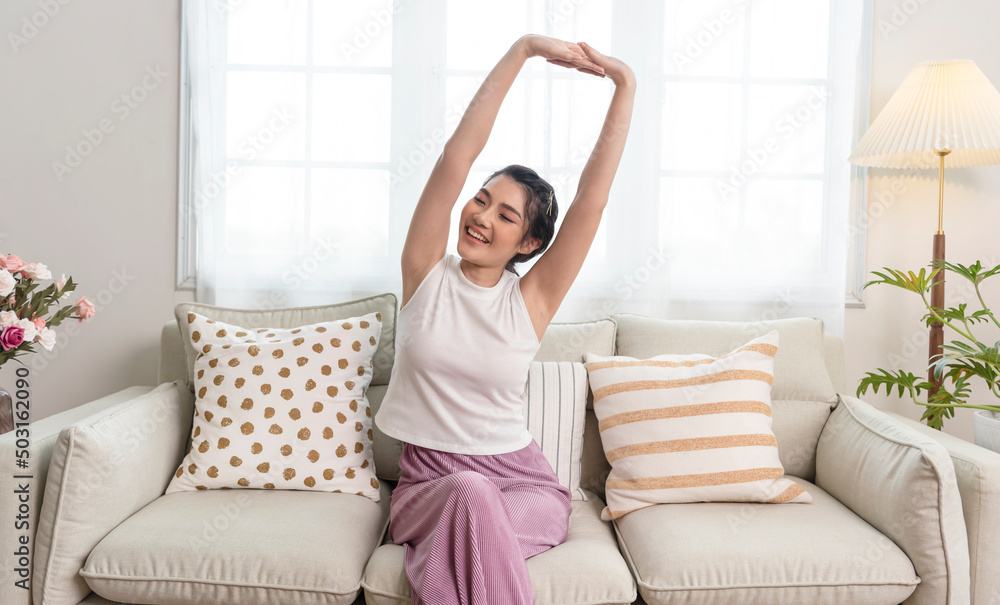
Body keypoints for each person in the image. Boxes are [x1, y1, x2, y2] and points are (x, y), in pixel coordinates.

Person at [373, 33, 635, 605]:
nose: (481, 215)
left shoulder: (530, 303)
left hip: (523, 483)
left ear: (531, 241)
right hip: (431, 484)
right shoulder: (425, 274)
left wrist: (624, 85)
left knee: (469, 540)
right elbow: (455, 159)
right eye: (481, 199)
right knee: (470, 496)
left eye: (505, 214)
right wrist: (523, 51)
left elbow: (591, 201)